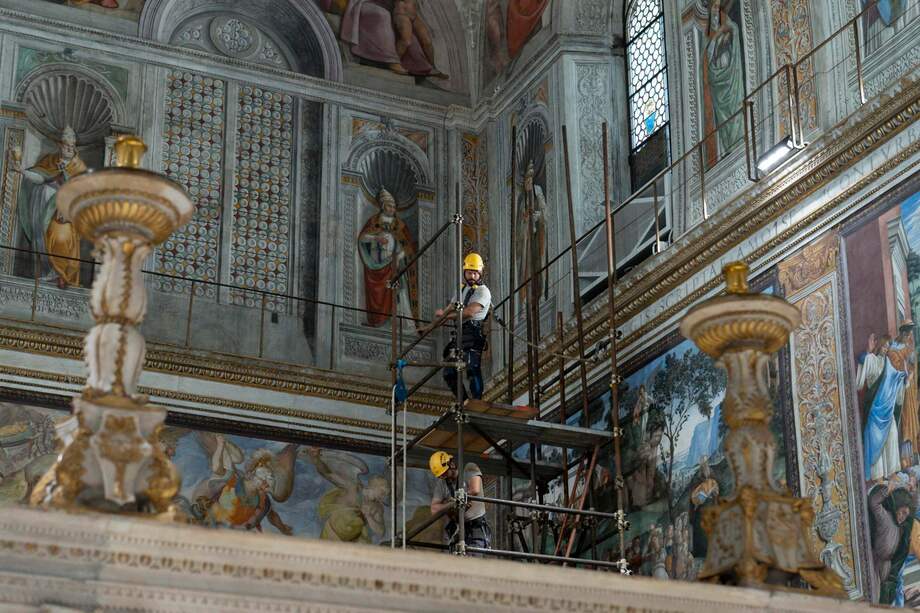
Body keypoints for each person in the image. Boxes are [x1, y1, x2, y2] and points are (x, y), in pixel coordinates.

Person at [13, 126, 86, 288]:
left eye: (71, 146)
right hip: (44, 211)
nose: (68, 149)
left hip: (65, 214)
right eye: (66, 145)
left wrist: (65, 175)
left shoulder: (79, 167)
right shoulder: (50, 160)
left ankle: (59, 273)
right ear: (60, 145)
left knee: (60, 238)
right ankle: (45, 272)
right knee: (44, 191)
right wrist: (23, 172)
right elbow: (40, 178)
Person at [421, 252, 490, 400]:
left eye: (475, 273)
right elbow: (448, 311)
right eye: (470, 273)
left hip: (473, 331)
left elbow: (469, 313)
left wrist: (446, 316)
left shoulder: (483, 291)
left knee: (472, 367)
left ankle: (476, 401)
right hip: (460, 333)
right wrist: (429, 327)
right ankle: (463, 401)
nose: (472, 276)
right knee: (449, 371)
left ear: (480, 273)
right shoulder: (461, 289)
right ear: (465, 272)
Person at [357, 187, 418, 327]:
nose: (392, 209)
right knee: (378, 293)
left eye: (394, 206)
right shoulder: (373, 222)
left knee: (398, 293)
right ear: (383, 206)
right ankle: (377, 321)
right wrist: (376, 238)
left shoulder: (400, 225)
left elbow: (408, 247)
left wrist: (398, 257)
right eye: (390, 206)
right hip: (376, 266)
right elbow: (362, 239)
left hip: (394, 265)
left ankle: (397, 323)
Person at [429, 450, 491, 553]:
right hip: (459, 530)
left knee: (474, 560)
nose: (444, 477)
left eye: (445, 473)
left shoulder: (469, 468)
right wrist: (452, 504)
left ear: (451, 464)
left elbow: (475, 490)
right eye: (441, 476)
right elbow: (434, 509)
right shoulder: (442, 483)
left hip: (476, 527)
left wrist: (457, 502)